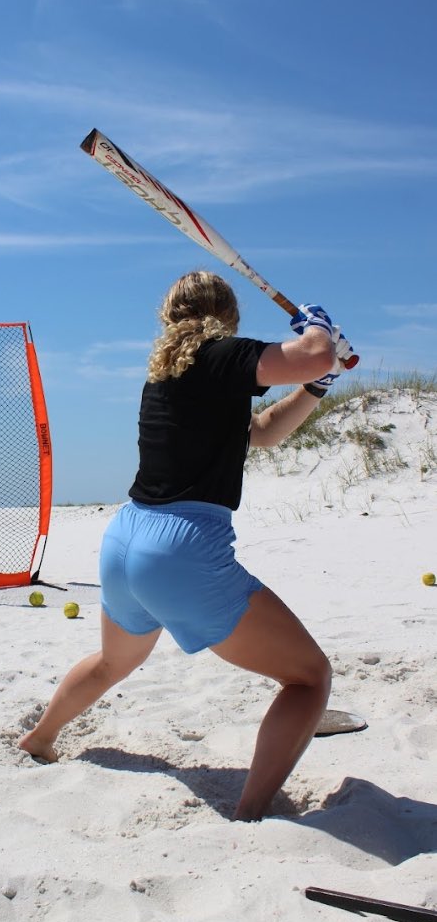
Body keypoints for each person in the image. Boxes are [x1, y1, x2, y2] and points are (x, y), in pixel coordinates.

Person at [20, 270, 352, 821]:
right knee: (309, 677)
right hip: (180, 550)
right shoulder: (222, 355)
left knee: (110, 662)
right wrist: (319, 332)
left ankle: (40, 738)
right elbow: (311, 353)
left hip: (125, 540)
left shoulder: (170, 375)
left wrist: (317, 385)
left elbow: (263, 431)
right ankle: (250, 813)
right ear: (228, 316)